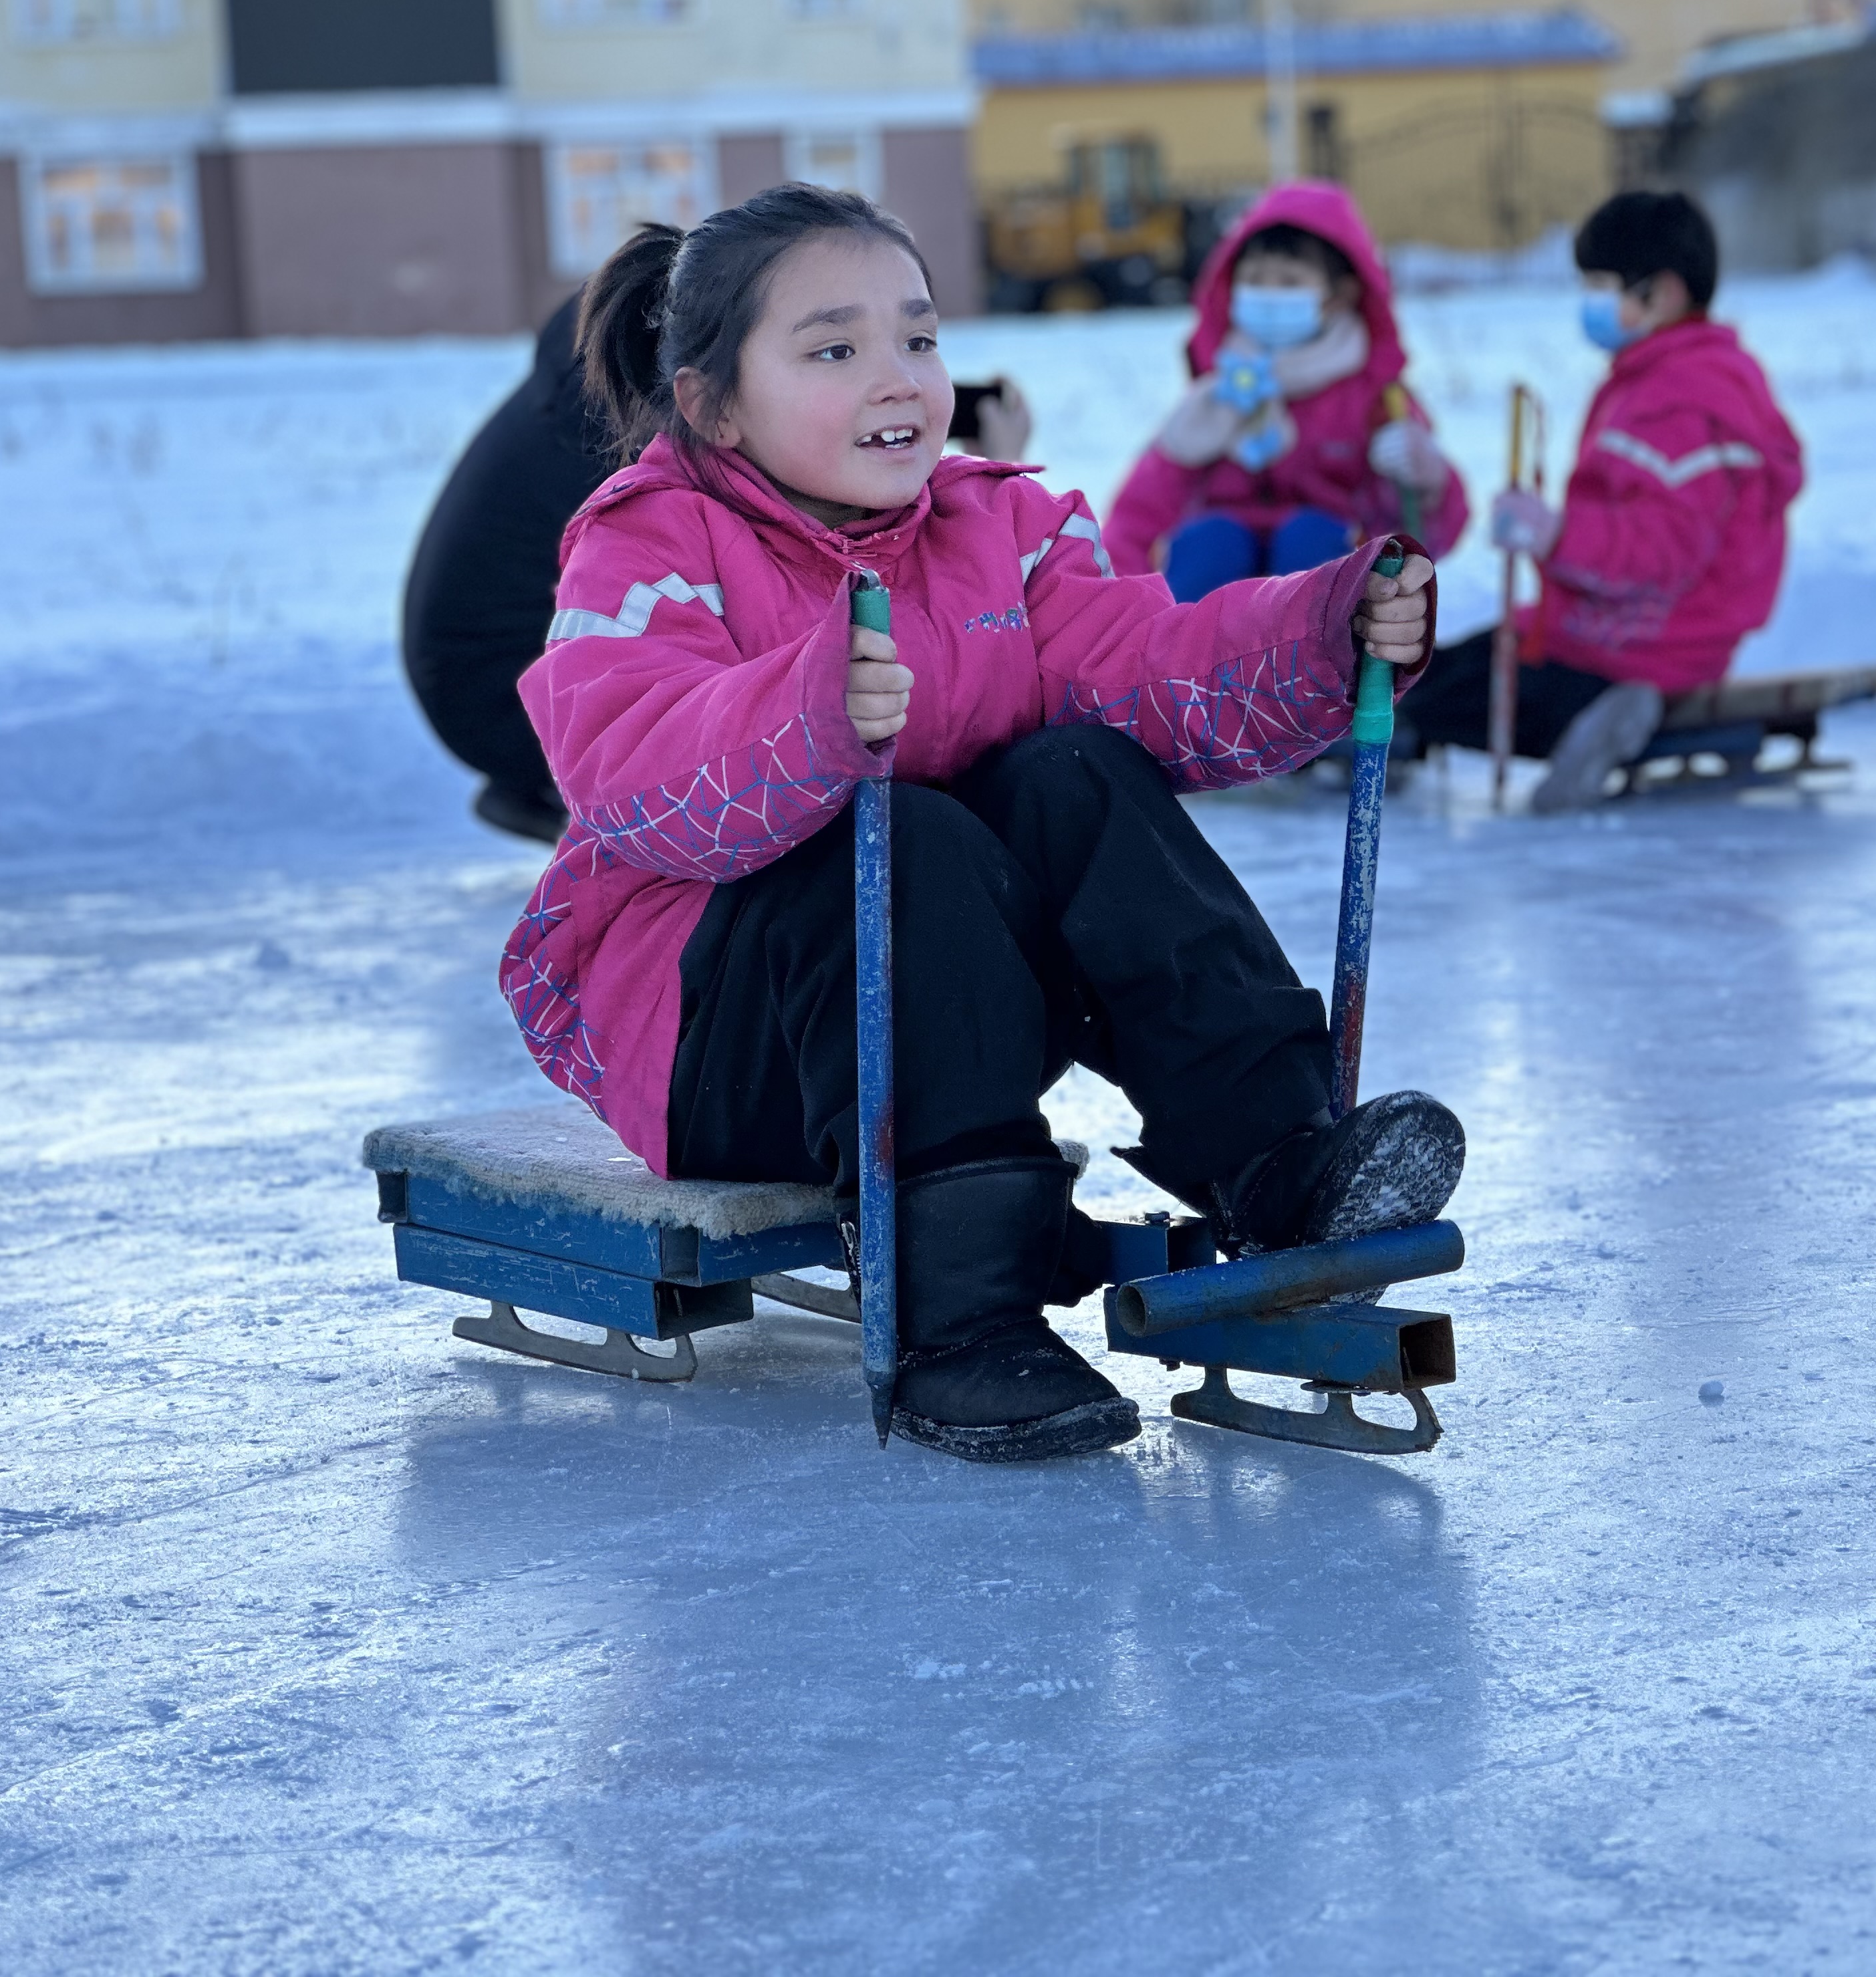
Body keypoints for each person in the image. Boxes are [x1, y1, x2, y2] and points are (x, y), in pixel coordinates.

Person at [507, 182, 1463, 1465]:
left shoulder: (992, 528)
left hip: (938, 1011)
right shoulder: (649, 543)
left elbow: (1146, 663)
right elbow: (632, 776)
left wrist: (1319, 624)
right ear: (712, 403)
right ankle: (958, 1311)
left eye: (918, 337)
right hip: (729, 1034)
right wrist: (810, 710)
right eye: (835, 350)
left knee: (1074, 772)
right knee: (905, 831)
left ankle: (1279, 1155)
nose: (896, 379)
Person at [402, 291, 1034, 843]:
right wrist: (977, 483)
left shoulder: (591, 389)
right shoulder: (634, 436)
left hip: (468, 673)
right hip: (508, 686)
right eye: (829, 350)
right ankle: (577, 817)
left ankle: (538, 792)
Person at [1397, 190, 1806, 815]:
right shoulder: (1658, 377)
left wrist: (1556, 534)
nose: (1589, 303)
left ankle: (1601, 714)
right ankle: (1570, 715)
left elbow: (1664, 549)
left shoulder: (1682, 398)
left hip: (1644, 643)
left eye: (1601, 285)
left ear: (1660, 294)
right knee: (1454, 673)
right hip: (1610, 628)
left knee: (1467, 692)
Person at [1101, 180, 1466, 601]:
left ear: (1340, 296)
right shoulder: (1216, 396)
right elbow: (1145, 505)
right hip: (1219, 592)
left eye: (1289, 282)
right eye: (1254, 280)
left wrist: (1427, 485)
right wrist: (1121, 597)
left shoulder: (1374, 400)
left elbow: (1424, 538)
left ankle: (1321, 660)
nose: (1269, 296)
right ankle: (1181, 658)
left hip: (1327, 582)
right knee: (1210, 541)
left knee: (1311, 537)